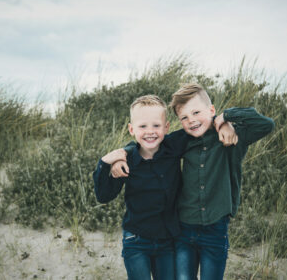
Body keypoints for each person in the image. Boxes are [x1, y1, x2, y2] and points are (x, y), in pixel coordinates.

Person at [111, 83, 274, 279]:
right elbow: (148, 142)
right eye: (185, 118)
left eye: (196, 112)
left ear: (211, 110)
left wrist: (226, 117)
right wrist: (122, 155)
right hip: (183, 229)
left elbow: (266, 124)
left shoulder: (231, 136)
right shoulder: (183, 141)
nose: (192, 121)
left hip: (216, 228)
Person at [93, 94, 236, 280]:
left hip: (168, 241)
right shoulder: (126, 162)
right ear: (131, 129)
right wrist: (106, 162)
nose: (150, 131)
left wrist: (223, 122)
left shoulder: (173, 146)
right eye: (142, 126)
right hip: (136, 240)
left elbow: (199, 126)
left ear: (166, 127)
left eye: (156, 126)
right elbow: (104, 195)